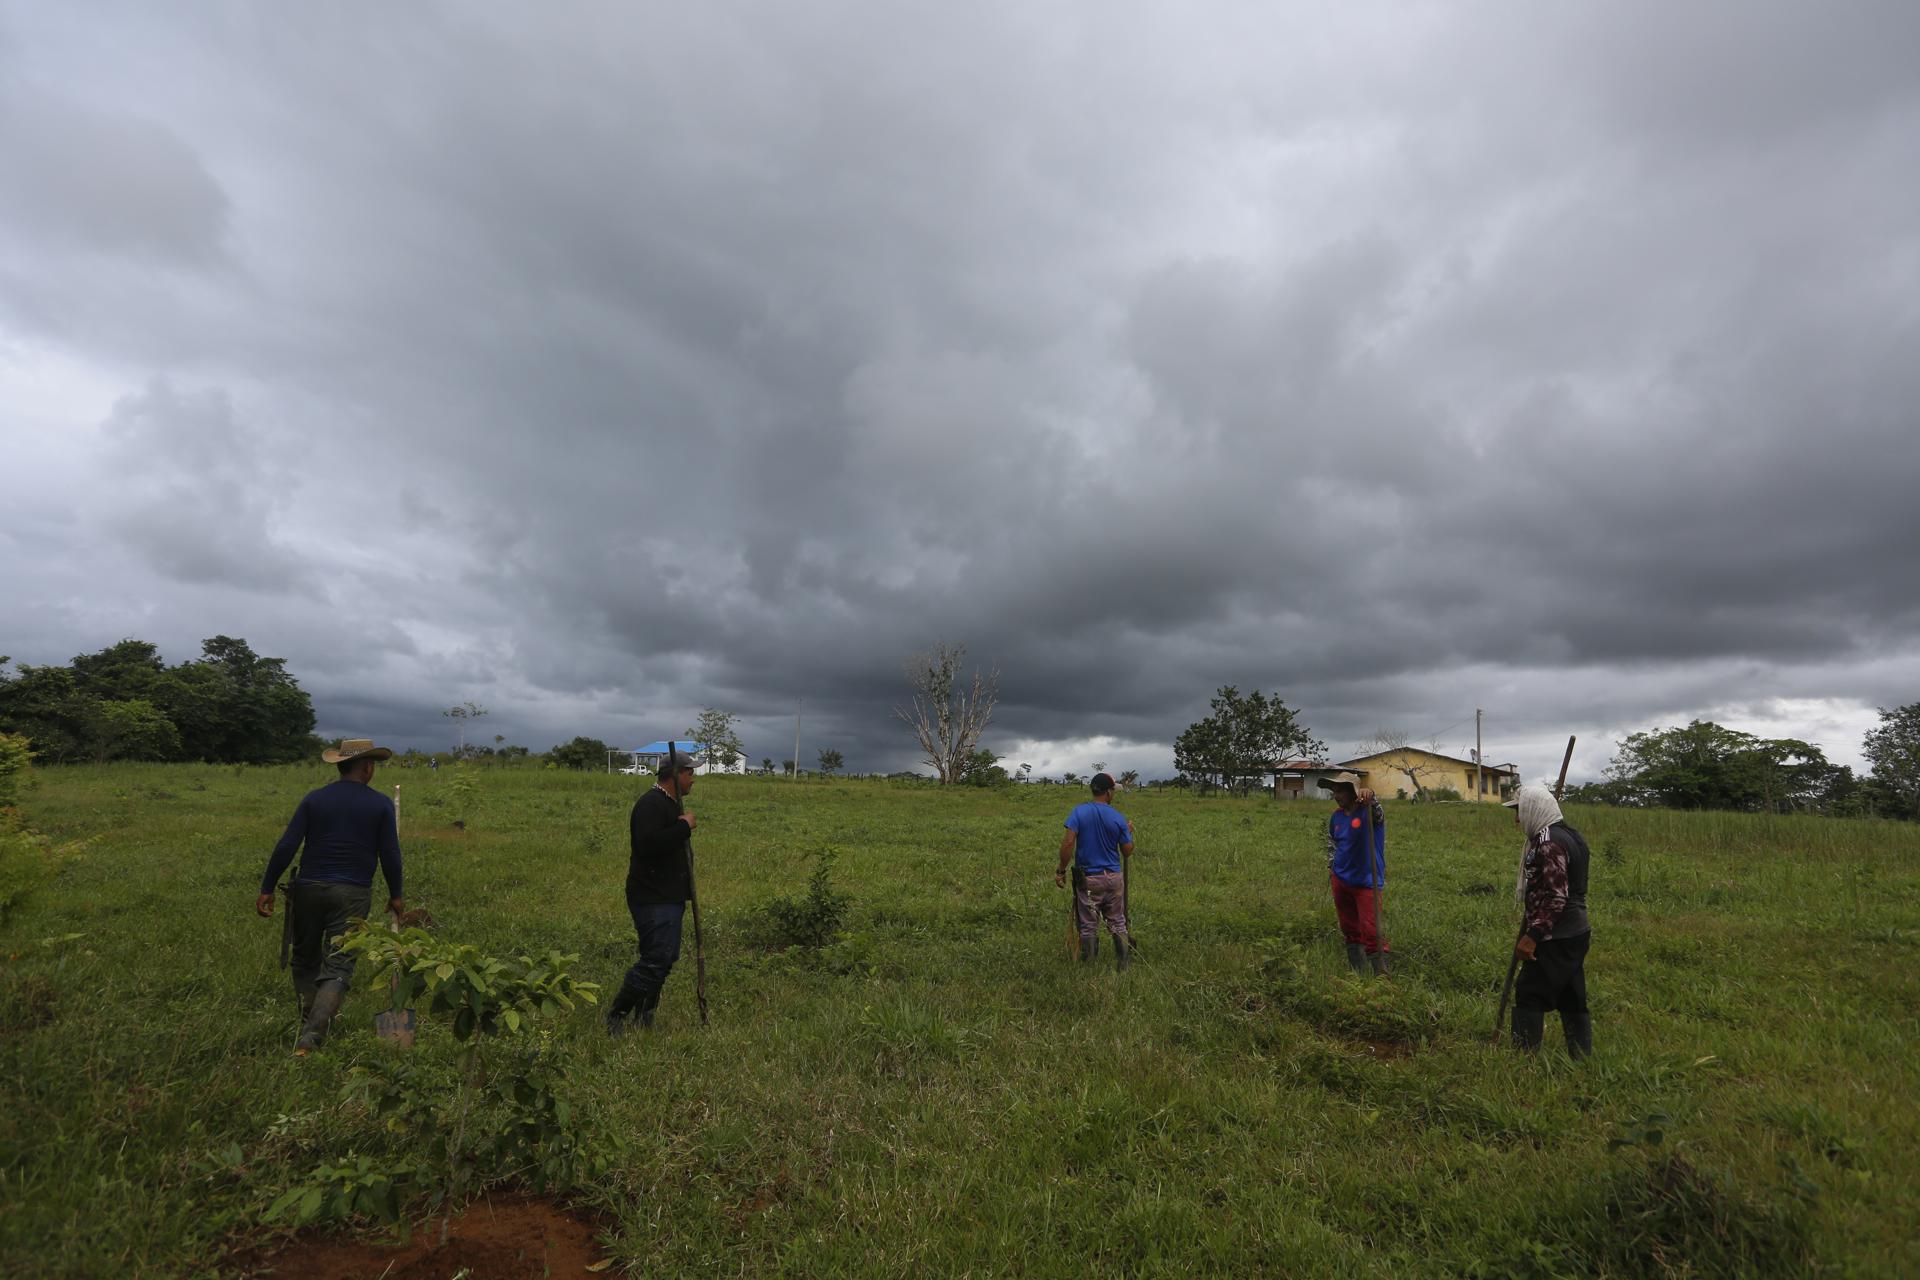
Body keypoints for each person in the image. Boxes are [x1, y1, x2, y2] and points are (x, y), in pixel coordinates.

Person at [255, 738, 407, 1055]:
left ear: (340, 765)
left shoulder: (315, 800)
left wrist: (267, 886)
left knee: (305, 958)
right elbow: (390, 854)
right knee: (339, 966)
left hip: (308, 889)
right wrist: (397, 895)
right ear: (367, 767)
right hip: (352, 894)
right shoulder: (379, 804)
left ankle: (309, 1022)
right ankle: (311, 1037)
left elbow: (287, 845)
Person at [606, 748, 700, 1034]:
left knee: (663, 957)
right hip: (652, 896)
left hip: (668, 895)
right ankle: (617, 1015)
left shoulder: (671, 803)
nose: (693, 779)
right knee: (658, 957)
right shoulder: (651, 804)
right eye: (689, 773)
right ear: (674, 775)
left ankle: (644, 1016)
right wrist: (684, 827)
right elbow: (647, 846)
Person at [1504, 783, 1593, 1058]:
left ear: (1534, 809)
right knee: (1571, 995)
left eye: (1520, 811)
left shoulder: (1549, 843)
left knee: (1529, 992)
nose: (1518, 819)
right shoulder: (1570, 835)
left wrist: (1532, 937)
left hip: (1557, 934)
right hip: (1577, 932)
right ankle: (1581, 1058)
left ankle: (1522, 1060)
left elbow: (1556, 898)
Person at [1056, 772, 1135, 970]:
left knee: (1088, 923)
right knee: (1117, 920)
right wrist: (1127, 834)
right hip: (1114, 879)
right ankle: (1123, 964)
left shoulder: (1078, 812)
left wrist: (1061, 870)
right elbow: (1127, 851)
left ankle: (1089, 967)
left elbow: (1068, 843)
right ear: (1108, 792)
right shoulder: (1117, 817)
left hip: (1089, 879)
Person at [1318, 772, 1388, 976]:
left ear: (1353, 792)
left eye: (1340, 791)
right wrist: (1332, 868)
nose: (1336, 796)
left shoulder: (1369, 813)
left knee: (1371, 928)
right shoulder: (1336, 816)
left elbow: (1379, 813)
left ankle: (1381, 975)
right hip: (1341, 879)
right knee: (1349, 927)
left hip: (1367, 881)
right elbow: (1332, 843)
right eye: (1334, 791)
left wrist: (1372, 796)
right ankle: (1357, 972)